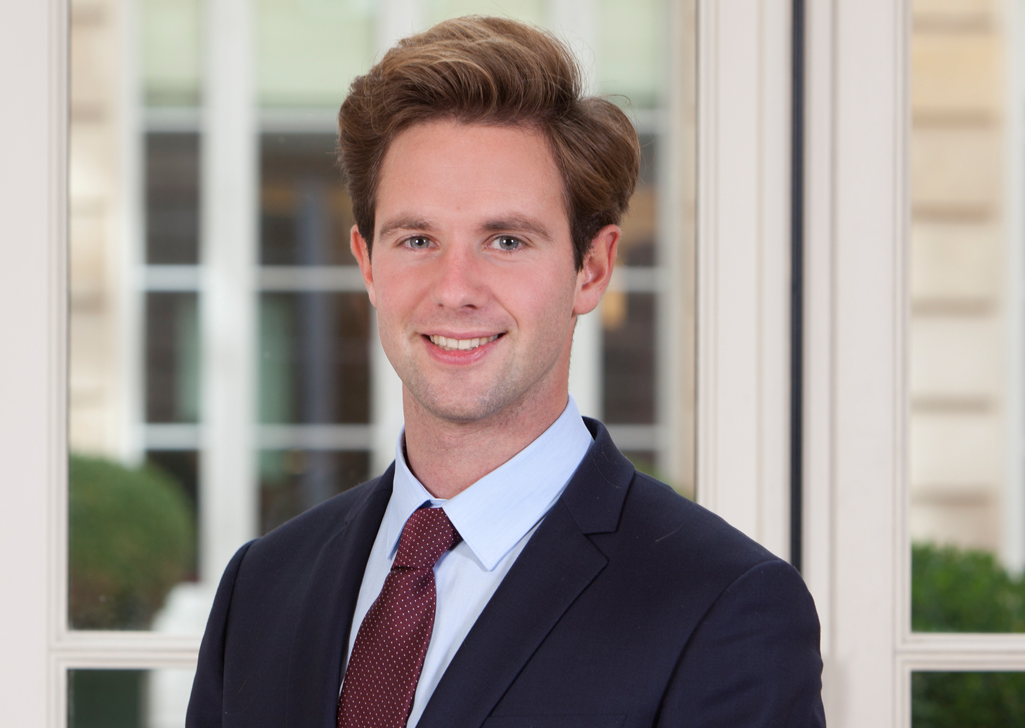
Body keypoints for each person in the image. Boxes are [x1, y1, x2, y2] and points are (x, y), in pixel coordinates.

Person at [187, 16, 825, 728]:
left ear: (592, 268)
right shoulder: (261, 588)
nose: (455, 288)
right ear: (367, 263)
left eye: (507, 240)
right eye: (417, 239)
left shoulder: (723, 608)